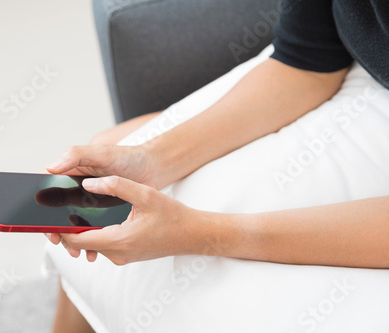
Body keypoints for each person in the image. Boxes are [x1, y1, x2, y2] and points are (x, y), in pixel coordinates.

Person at [44, 1, 389, 332]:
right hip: (358, 69)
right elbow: (308, 58)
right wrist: (152, 158)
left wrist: (207, 234)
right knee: (116, 145)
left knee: (186, 292)